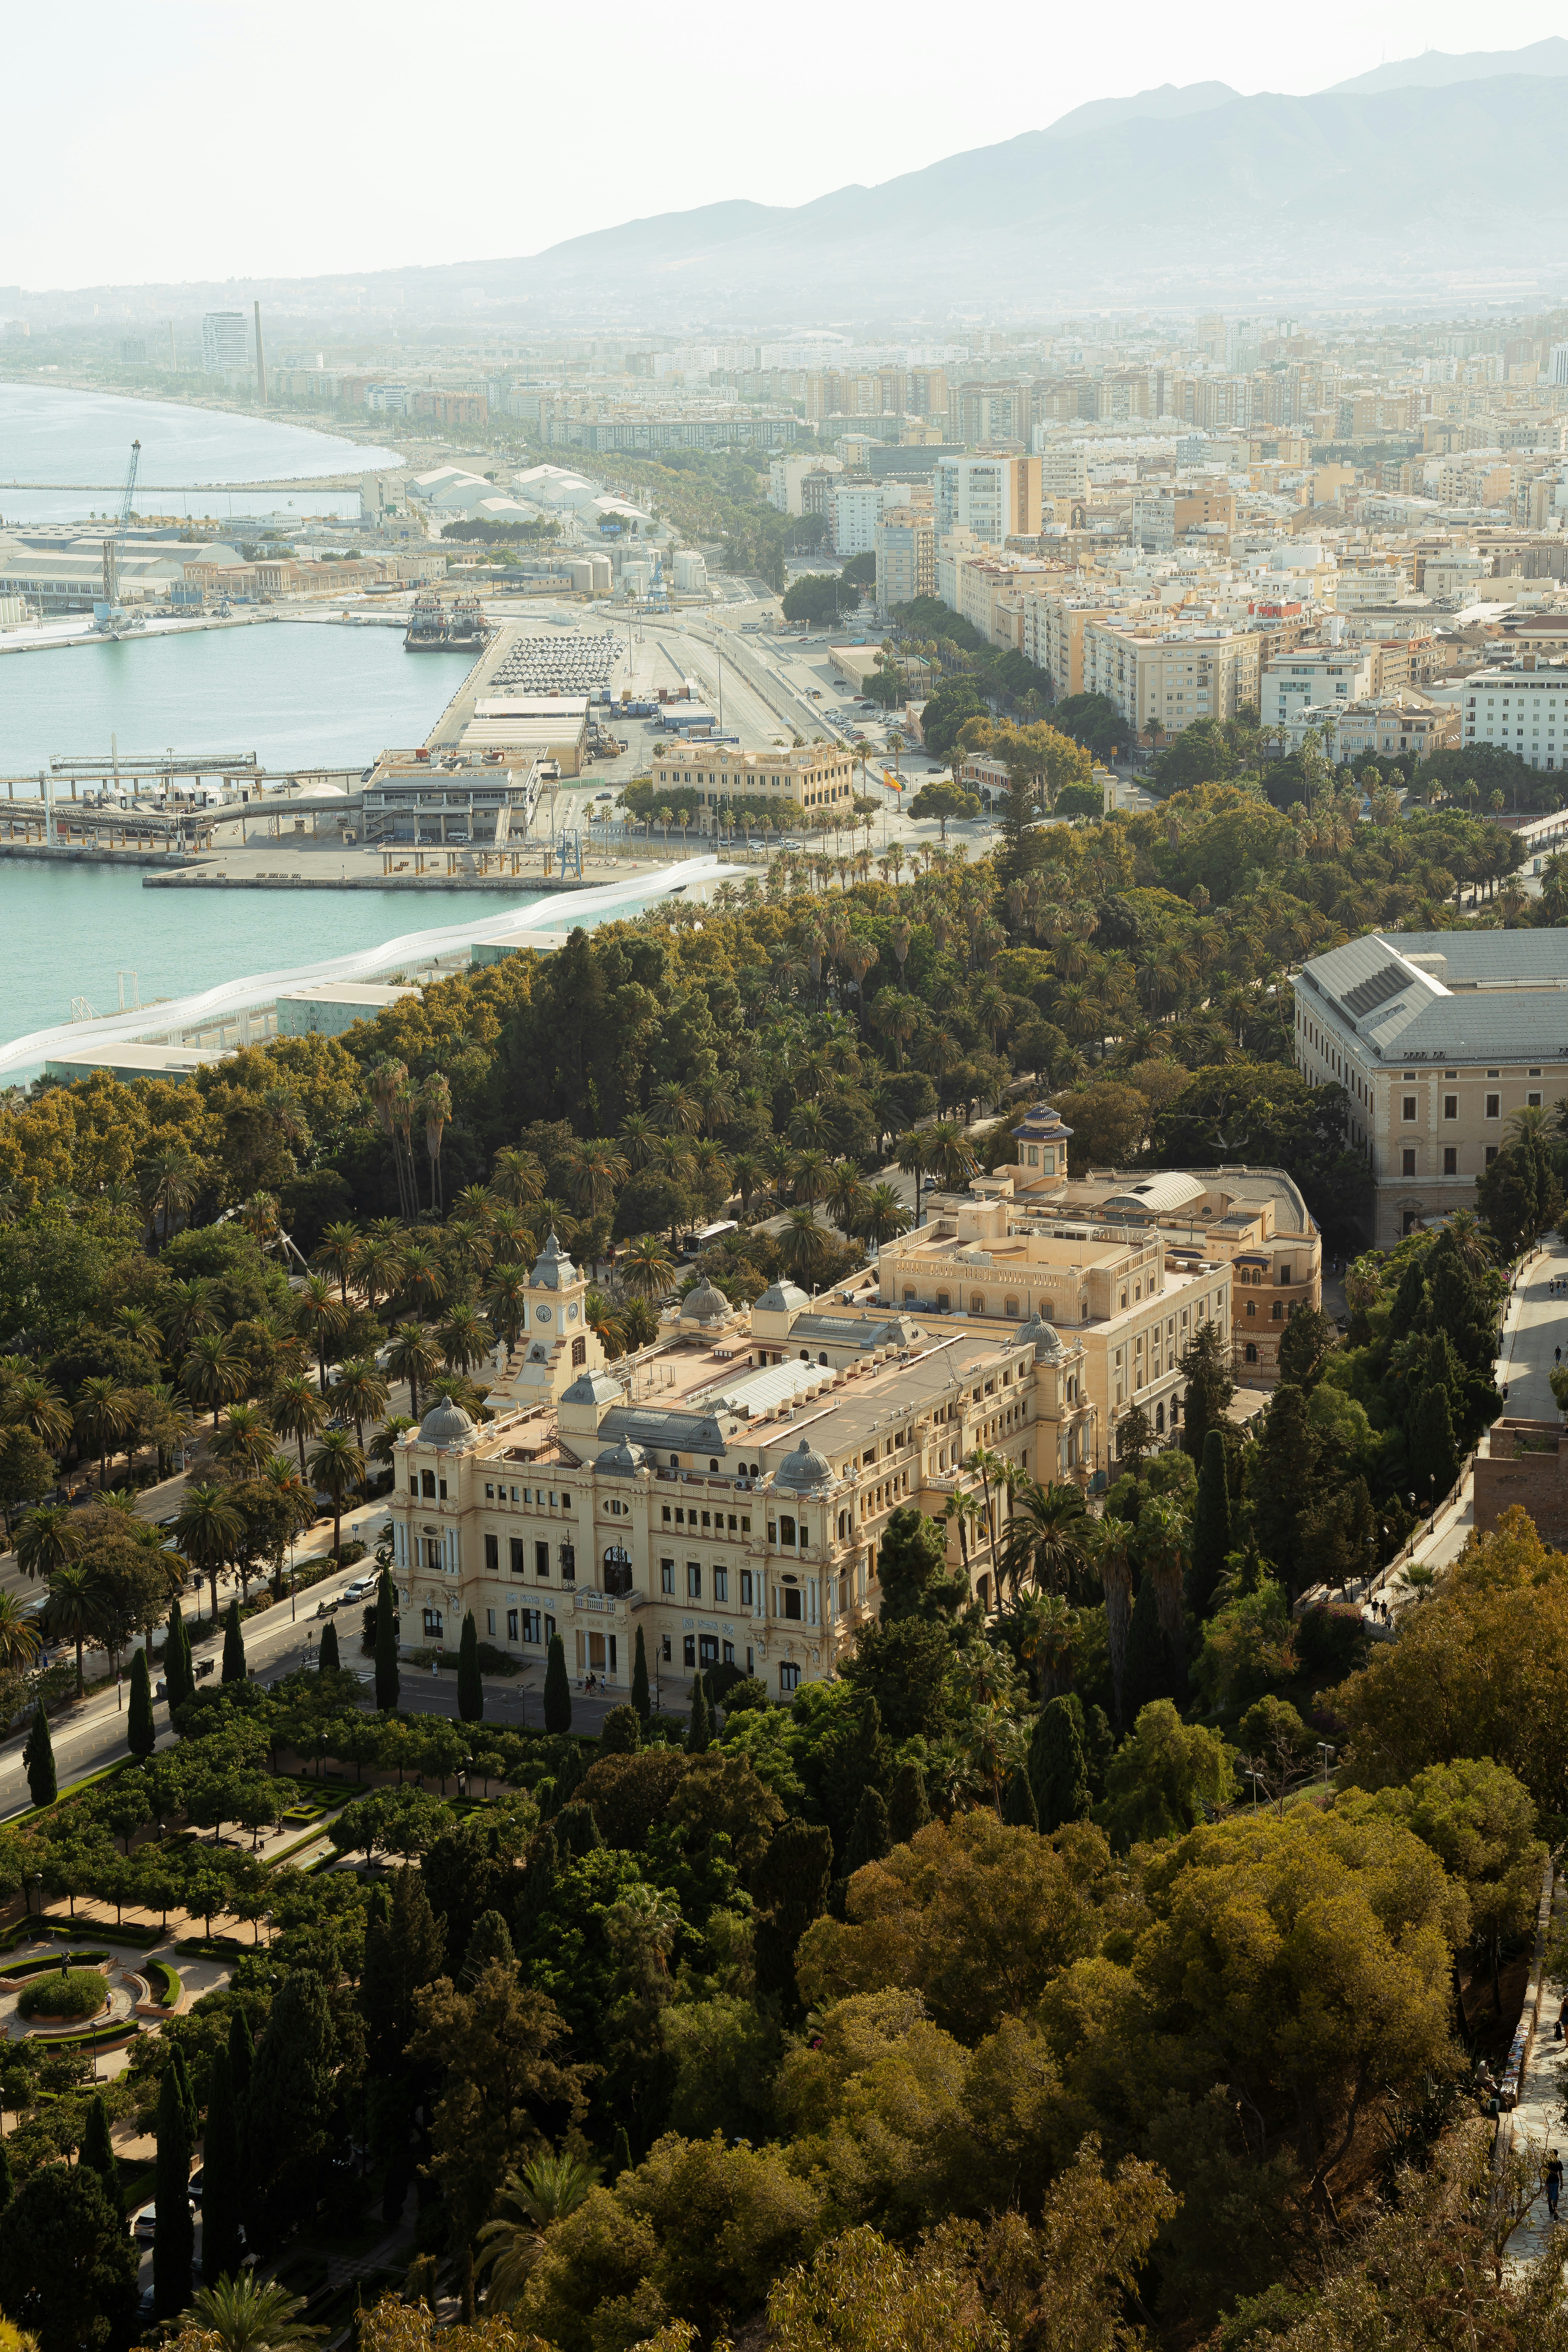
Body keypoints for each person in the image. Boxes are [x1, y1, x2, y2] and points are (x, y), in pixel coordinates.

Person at [1548, 2150, 1564, 2223]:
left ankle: (1555, 2211)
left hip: (1555, 2182)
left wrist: (1561, 2183)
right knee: (1551, 2196)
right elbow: (1543, 2173)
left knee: (1555, 2197)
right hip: (1549, 2181)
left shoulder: (1559, 2163)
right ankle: (1550, 2204)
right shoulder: (1548, 2162)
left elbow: (1560, 2173)